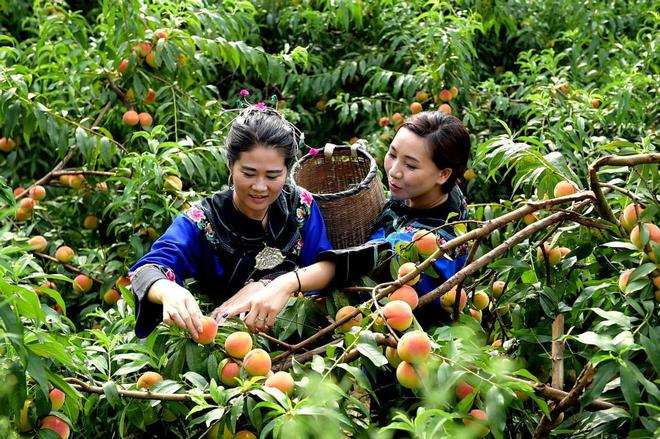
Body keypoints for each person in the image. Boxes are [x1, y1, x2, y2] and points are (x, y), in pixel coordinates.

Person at [221, 110, 471, 329]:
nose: (394, 170)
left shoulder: (436, 242)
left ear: (443, 174)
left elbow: (374, 256)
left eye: (411, 166)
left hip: (387, 339)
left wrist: (284, 283)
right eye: (392, 154)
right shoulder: (423, 194)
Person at [129, 107, 336, 339]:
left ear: (287, 170)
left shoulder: (300, 204)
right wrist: (168, 291)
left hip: (304, 339)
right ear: (230, 165)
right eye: (248, 173)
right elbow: (146, 270)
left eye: (272, 176)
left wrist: (277, 284)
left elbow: (327, 265)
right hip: (226, 349)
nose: (260, 187)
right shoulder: (204, 221)